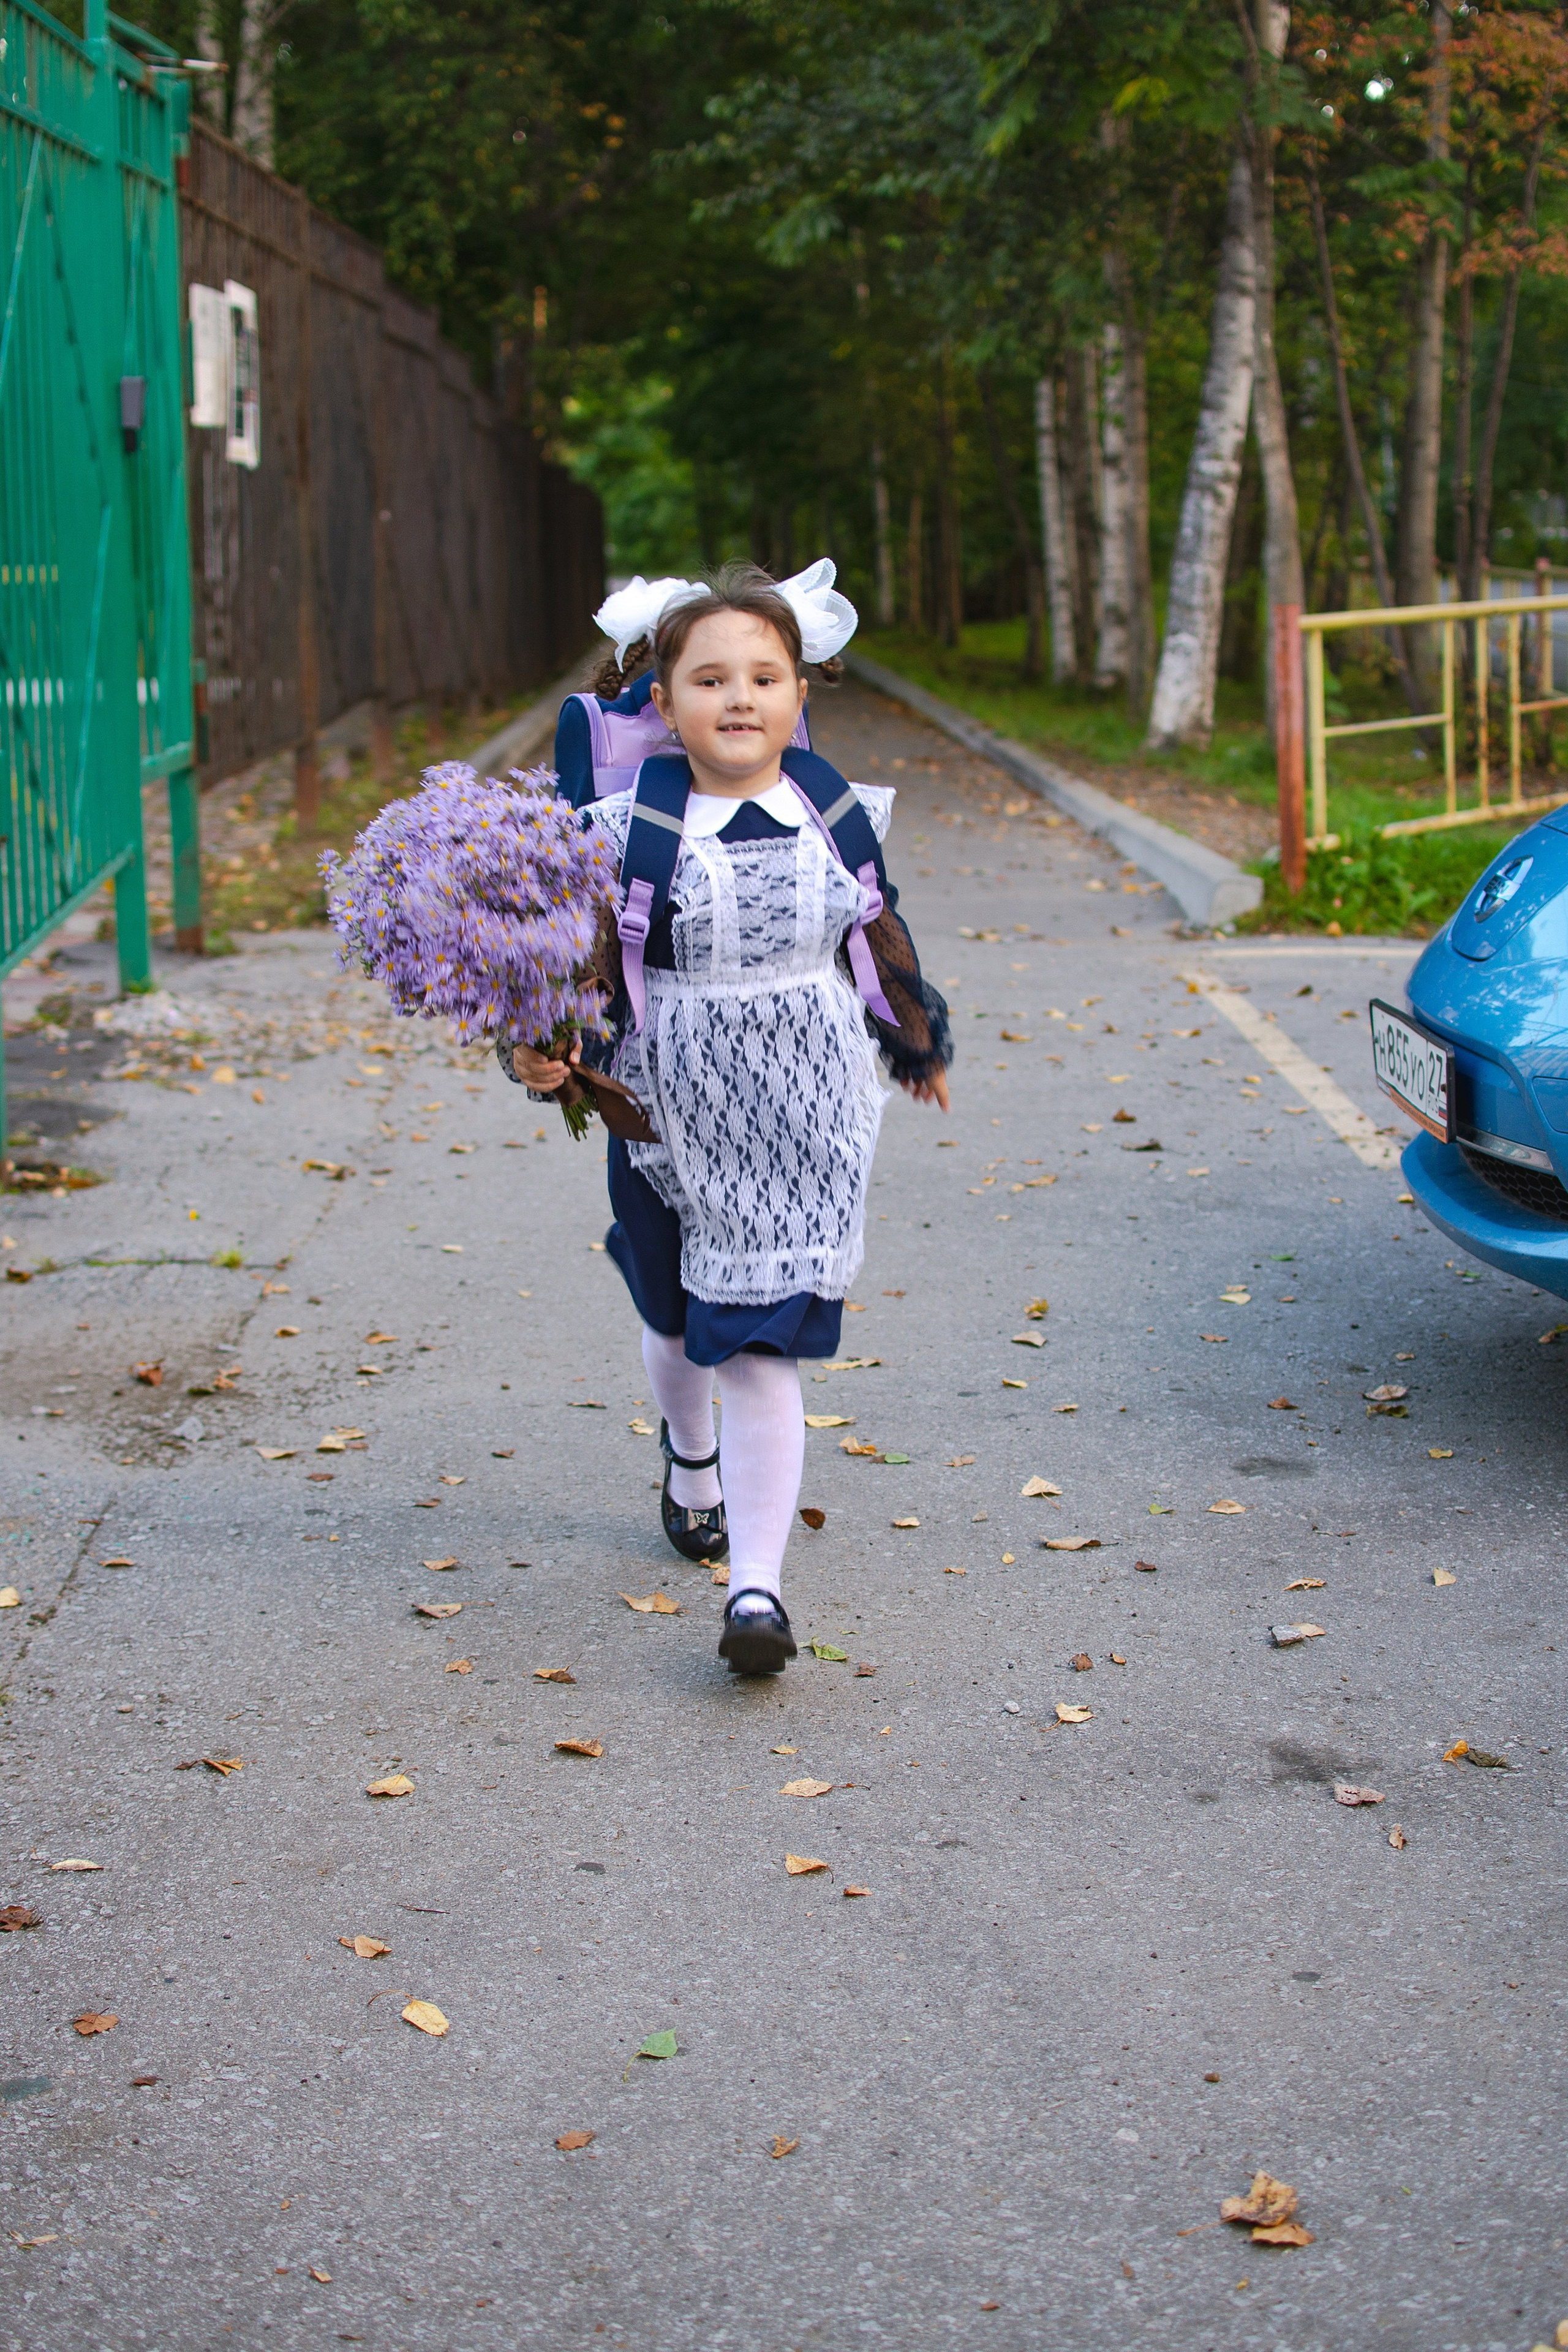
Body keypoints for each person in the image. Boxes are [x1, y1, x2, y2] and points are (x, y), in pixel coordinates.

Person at [508, 562, 951, 1676]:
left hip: (809, 1106)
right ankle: (689, 1457)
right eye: (710, 678)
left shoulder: (834, 810)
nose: (740, 697)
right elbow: (583, 971)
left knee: (757, 1342)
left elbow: (875, 927)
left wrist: (915, 1040)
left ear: (802, 694)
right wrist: (548, 1052)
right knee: (673, 1318)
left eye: (766, 675)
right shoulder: (625, 831)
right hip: (666, 1109)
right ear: (663, 701)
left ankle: (757, 1591)